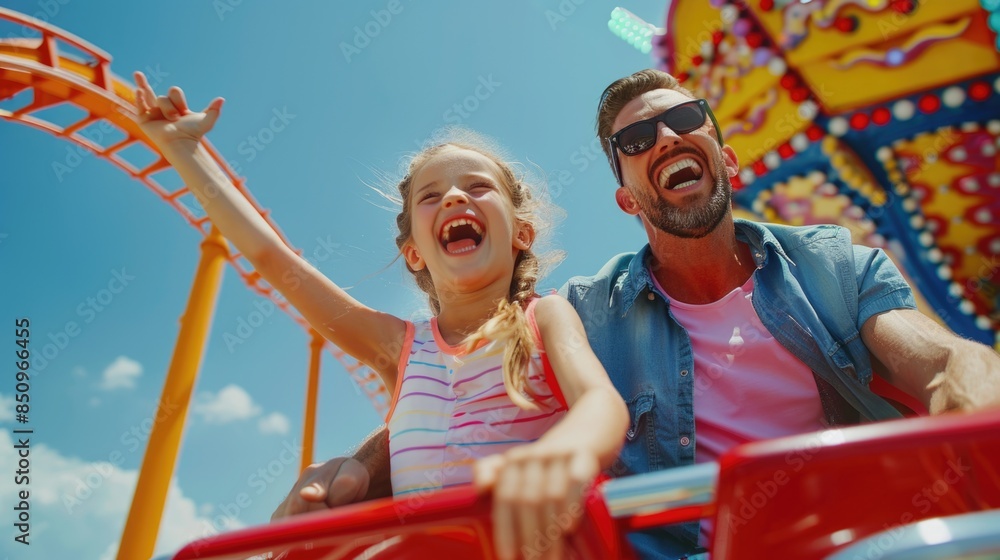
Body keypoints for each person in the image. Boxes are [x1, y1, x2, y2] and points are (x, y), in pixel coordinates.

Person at [273, 69, 1000, 559]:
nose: (666, 139)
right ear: (626, 195)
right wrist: (363, 467)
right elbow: (487, 378)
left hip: (849, 539)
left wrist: (970, 369)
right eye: (634, 141)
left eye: (686, 119)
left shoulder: (832, 265)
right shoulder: (590, 311)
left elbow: (928, 356)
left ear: (725, 154)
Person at [131, 71, 629, 560]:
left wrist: (565, 454)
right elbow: (272, 260)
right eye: (430, 197)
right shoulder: (400, 347)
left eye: (478, 188)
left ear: (522, 233)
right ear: (414, 253)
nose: (454, 197)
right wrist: (184, 150)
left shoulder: (544, 317)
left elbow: (600, 403)